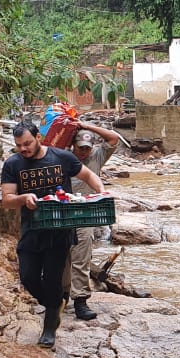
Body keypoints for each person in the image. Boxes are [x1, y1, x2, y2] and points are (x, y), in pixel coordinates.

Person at [0, 121, 105, 349]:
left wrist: (102, 192)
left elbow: (88, 176)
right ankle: (54, 303)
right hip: (32, 228)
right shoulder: (13, 164)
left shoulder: (61, 158)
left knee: (53, 278)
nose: (24, 149)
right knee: (28, 276)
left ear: (39, 137)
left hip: (60, 229)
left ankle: (49, 328)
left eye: (27, 143)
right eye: (19, 145)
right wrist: (23, 198)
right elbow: (7, 199)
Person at [64, 123, 120, 320]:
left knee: (82, 256)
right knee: (61, 257)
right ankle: (62, 294)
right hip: (61, 211)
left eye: (87, 148)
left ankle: (80, 300)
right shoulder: (64, 157)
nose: (84, 152)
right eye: (80, 147)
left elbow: (114, 138)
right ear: (73, 145)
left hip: (84, 214)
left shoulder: (97, 156)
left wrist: (86, 125)